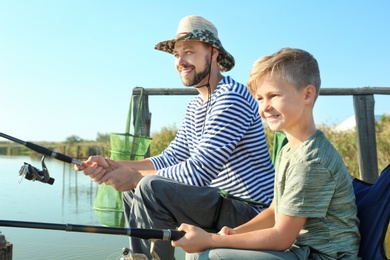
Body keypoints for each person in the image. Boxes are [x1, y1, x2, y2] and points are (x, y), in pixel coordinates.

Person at [75, 15, 275, 259]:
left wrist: (135, 177)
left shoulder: (231, 97)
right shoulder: (195, 106)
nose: (181, 61)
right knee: (134, 189)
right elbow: (173, 156)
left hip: (251, 211)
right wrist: (116, 166)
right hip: (222, 202)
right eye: (176, 55)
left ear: (212, 53)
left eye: (189, 51)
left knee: (148, 186)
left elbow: (200, 171)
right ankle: (139, 257)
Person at [172, 48, 361, 259]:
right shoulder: (289, 150)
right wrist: (235, 233)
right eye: (260, 98)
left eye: (273, 96)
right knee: (198, 254)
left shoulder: (312, 160)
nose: (264, 108)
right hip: (299, 251)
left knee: (213, 255)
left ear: (307, 94)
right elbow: (274, 211)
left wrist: (213, 239)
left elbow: (282, 238)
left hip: (322, 256)